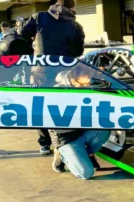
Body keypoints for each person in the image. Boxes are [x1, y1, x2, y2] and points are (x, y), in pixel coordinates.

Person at [21, 0, 104, 180]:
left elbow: (22, 35)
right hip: (65, 73)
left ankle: (46, 145)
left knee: (41, 111)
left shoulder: (39, 17)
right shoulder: (75, 26)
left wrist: (35, 51)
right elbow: (77, 50)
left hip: (40, 72)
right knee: (70, 110)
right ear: (72, 8)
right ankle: (78, 150)